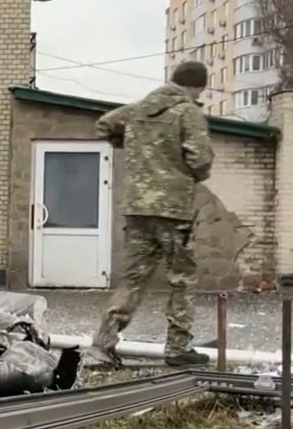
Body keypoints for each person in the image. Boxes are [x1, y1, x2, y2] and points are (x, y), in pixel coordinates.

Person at [91, 60, 214, 369]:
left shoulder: (137, 110)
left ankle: (102, 346)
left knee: (133, 279)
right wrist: (183, 170)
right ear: (197, 86)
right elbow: (201, 162)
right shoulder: (188, 112)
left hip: (137, 207)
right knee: (181, 280)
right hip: (173, 209)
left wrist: (133, 147)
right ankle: (177, 349)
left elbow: (104, 124)